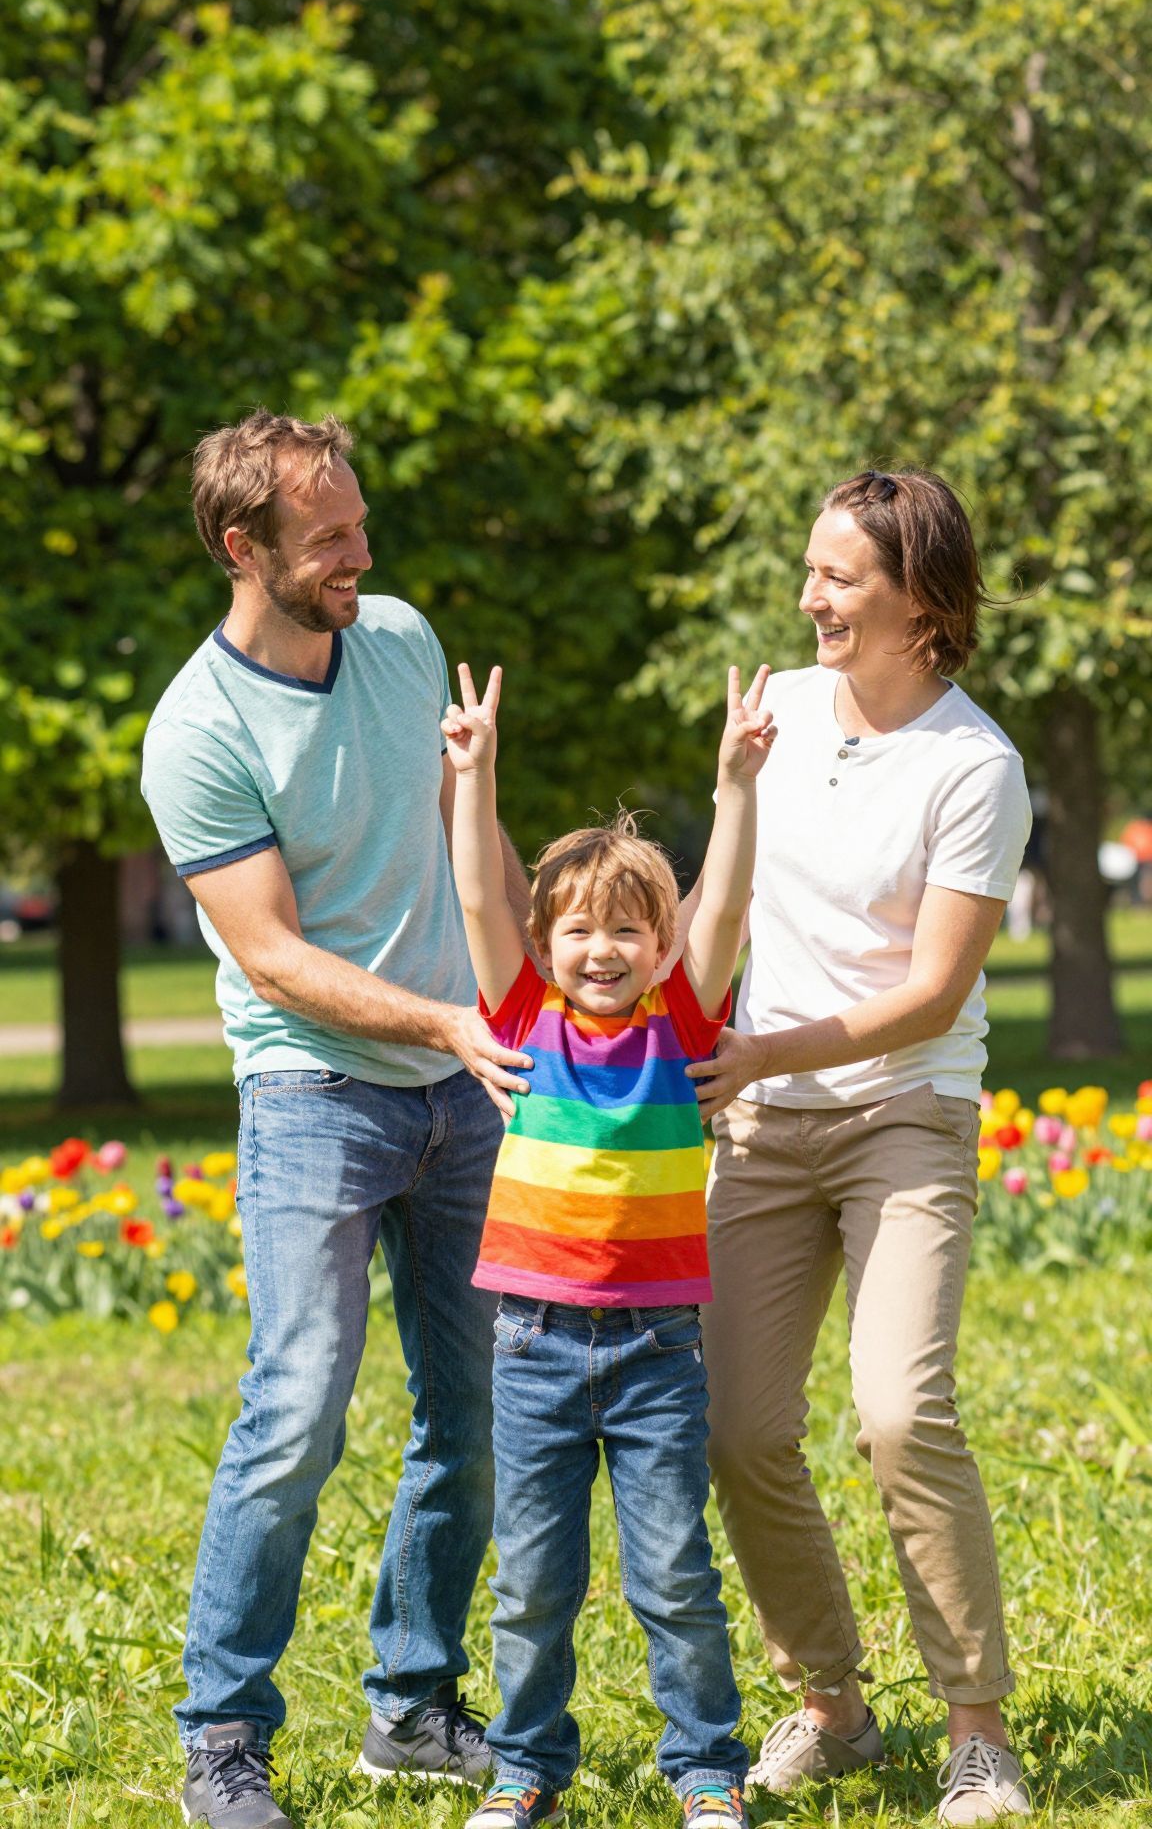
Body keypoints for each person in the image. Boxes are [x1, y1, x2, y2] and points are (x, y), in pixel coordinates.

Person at [141, 410, 534, 1829]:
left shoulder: (404, 641)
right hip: (313, 1092)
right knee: (298, 1408)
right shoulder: (197, 729)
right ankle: (222, 1736)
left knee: (476, 1410)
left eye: (361, 525)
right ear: (244, 550)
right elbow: (271, 955)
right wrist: (441, 1022)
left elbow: (461, 830)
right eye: (331, 541)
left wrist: (524, 980)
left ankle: (413, 1707)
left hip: (460, 1087)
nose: (362, 555)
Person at [684, 469, 1034, 1827]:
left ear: (923, 605)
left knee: (901, 1409)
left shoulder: (976, 765)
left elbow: (934, 992)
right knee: (738, 1426)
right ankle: (830, 1703)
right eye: (811, 568)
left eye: (840, 576)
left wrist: (766, 1050)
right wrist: (699, 1026)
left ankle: (980, 1733)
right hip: (763, 1121)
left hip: (905, 1110)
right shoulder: (773, 706)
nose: (810, 594)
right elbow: (726, 906)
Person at [442, 661, 776, 1829]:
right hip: (531, 1344)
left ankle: (706, 1767)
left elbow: (726, 907)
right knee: (533, 1579)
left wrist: (735, 786)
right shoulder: (521, 1019)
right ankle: (524, 1762)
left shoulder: (682, 1026)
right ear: (547, 942)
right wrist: (472, 781)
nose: (600, 946)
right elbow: (482, 903)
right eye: (577, 927)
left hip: (656, 1350)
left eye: (627, 929)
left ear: (660, 942)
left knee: (674, 1571)